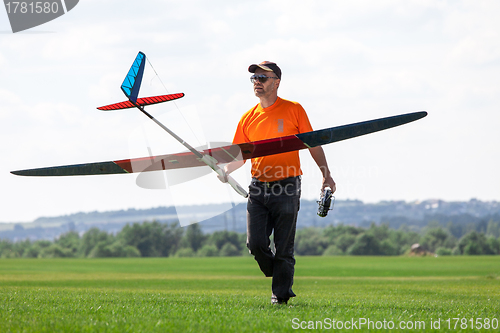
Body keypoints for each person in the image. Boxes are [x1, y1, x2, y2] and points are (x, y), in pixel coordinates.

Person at [220, 61, 336, 305]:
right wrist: (225, 169)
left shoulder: (294, 109)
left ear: (277, 82)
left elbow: (312, 143)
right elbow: (240, 156)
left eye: (263, 77)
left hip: (288, 185)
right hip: (258, 187)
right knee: (256, 244)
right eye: (254, 78)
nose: (257, 82)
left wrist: (326, 174)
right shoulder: (247, 118)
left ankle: (280, 296)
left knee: (284, 247)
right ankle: (279, 272)